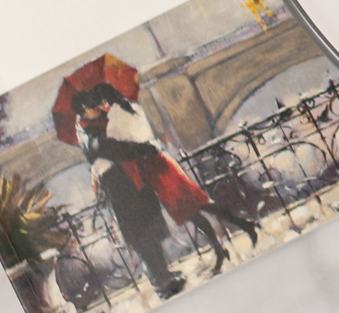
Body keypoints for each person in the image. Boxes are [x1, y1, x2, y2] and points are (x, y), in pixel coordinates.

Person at [71, 83, 258, 298]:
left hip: (147, 174)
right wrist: (146, 148)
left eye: (98, 103)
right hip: (130, 183)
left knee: (185, 210)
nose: (97, 107)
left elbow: (120, 144)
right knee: (177, 215)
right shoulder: (92, 128)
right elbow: (111, 148)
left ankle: (179, 269)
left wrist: (142, 149)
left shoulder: (108, 120)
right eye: (92, 105)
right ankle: (165, 280)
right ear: (84, 109)